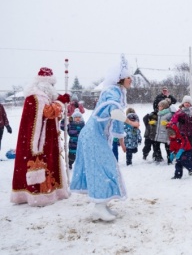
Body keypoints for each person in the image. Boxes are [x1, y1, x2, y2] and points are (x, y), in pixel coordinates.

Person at [70, 55, 140, 221]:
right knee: (101, 168)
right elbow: (113, 112)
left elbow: (115, 119)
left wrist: (121, 140)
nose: (131, 80)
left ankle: (103, 204)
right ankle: (98, 207)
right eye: (128, 77)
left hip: (95, 136)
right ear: (120, 78)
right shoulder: (112, 91)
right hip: (92, 135)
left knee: (106, 167)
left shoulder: (117, 92)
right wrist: (131, 122)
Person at [11, 67, 71, 207]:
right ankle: (40, 195)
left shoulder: (40, 96)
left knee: (48, 162)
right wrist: (60, 102)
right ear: (44, 84)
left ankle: (48, 191)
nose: (53, 88)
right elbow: (49, 112)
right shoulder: (37, 97)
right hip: (39, 141)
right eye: (51, 85)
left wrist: (59, 101)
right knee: (41, 163)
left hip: (45, 138)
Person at [154, 99, 173, 164]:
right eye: (158, 106)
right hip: (159, 133)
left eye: (160, 106)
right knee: (156, 146)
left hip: (166, 133)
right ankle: (158, 158)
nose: (158, 107)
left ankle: (170, 160)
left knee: (167, 148)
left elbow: (173, 122)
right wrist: (155, 123)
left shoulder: (169, 114)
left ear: (164, 107)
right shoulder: (159, 114)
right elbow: (160, 123)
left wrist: (167, 123)